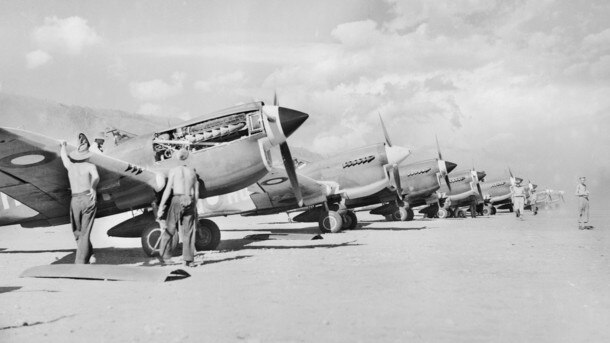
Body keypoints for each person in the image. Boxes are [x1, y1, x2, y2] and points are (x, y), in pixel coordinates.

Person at [60, 134, 99, 264]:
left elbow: (64, 157)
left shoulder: (71, 166)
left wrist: (63, 146)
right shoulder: (90, 166)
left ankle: (81, 261)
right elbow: (96, 177)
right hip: (88, 198)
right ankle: (87, 256)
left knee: (77, 231)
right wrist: (93, 188)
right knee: (85, 232)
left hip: (75, 200)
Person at [157, 149, 199, 266]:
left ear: (177, 158)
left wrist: (161, 206)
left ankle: (165, 257)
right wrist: (194, 207)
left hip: (177, 199)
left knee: (170, 228)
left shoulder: (174, 171)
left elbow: (167, 189)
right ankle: (189, 260)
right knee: (189, 231)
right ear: (187, 158)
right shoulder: (192, 173)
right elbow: (196, 193)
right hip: (189, 199)